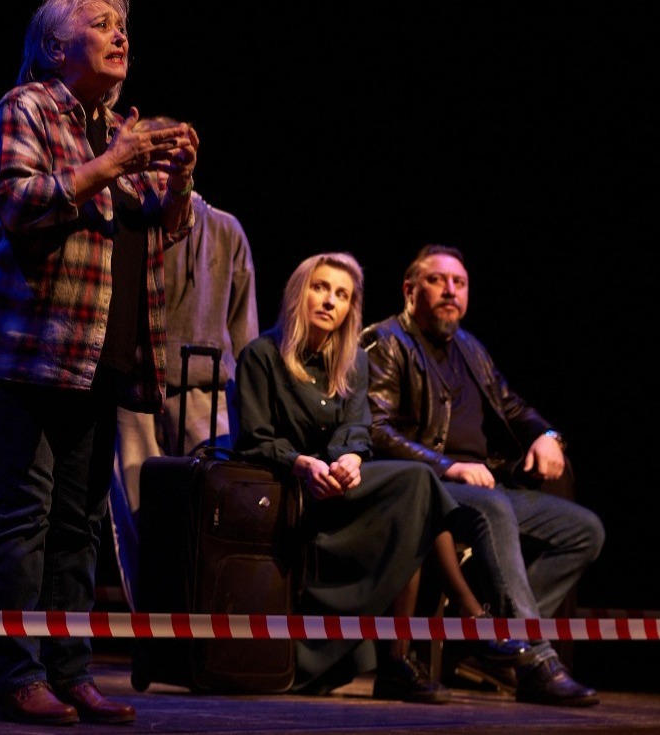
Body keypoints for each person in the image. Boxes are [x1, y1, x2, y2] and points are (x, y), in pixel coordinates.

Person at [0, 0, 198, 726]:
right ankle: (18, 677)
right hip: (25, 348)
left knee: (79, 525)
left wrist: (178, 181)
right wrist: (113, 162)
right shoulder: (24, 108)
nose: (121, 35)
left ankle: (71, 671)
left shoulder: (117, 127)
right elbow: (18, 202)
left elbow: (159, 228)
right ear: (56, 47)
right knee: (24, 513)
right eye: (102, 23)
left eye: (124, 26)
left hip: (99, 353)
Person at [233, 251, 524, 704]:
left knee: (416, 490)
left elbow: (356, 428)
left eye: (341, 294)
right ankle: (463, 621)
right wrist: (302, 464)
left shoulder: (351, 361)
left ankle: (404, 655)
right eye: (320, 288)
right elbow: (254, 438)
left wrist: (350, 458)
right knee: (418, 484)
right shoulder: (261, 355)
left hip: (342, 484)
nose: (329, 301)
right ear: (298, 293)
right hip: (292, 489)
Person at [361, 244, 605, 707]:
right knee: (494, 508)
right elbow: (375, 428)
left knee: (584, 530)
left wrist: (548, 435)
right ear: (410, 290)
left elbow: (512, 406)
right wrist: (447, 465)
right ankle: (534, 661)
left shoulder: (470, 348)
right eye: (437, 280)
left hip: (482, 484)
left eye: (460, 282)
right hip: (429, 487)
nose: (450, 290)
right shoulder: (386, 341)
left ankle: (491, 646)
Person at [109, 115, 259, 611]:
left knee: (209, 510)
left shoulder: (226, 229)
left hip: (207, 391)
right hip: (135, 388)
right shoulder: (128, 216)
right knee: (137, 512)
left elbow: (244, 327)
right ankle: (149, 626)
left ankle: (202, 623)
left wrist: (247, 403)